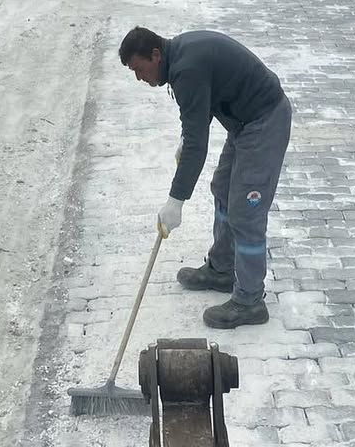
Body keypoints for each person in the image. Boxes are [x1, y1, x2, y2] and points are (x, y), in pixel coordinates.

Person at [119, 26, 292, 329]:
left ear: (156, 55)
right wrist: (187, 141)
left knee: (246, 212)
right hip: (242, 121)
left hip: (263, 121)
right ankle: (223, 270)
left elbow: (199, 142)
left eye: (139, 69)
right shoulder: (180, 57)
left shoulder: (186, 69)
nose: (139, 78)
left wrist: (176, 201)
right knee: (222, 188)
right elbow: (200, 112)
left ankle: (250, 300)